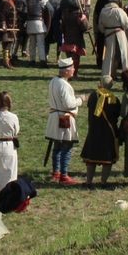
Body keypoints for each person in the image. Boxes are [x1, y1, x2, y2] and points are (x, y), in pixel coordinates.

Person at [46, 57, 84, 185]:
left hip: (55, 117)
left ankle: (56, 172)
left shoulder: (53, 81)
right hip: (64, 118)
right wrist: (81, 100)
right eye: (72, 68)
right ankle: (63, 174)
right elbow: (69, 104)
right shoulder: (64, 85)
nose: (74, 69)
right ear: (67, 71)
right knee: (66, 146)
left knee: (57, 146)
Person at [81, 76, 123, 186]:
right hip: (108, 133)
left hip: (94, 131)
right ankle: (103, 182)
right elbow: (117, 114)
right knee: (107, 160)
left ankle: (89, 181)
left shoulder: (93, 96)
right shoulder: (114, 99)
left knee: (91, 159)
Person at [98, 0, 128, 78]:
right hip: (120, 35)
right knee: (123, 56)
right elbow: (127, 24)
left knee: (109, 57)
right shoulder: (119, 11)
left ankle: (108, 75)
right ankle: (127, 76)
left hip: (109, 35)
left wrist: (106, 31)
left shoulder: (103, 11)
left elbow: (100, 26)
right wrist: (125, 13)